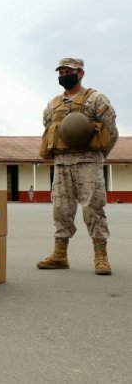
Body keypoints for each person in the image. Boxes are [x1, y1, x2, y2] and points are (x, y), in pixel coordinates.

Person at [37, 57, 118, 275]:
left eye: (68, 72)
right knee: (61, 209)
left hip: (88, 162)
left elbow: (111, 132)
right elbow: (49, 129)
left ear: (81, 73)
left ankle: (101, 256)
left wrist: (99, 156)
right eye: (61, 72)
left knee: (94, 207)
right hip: (62, 164)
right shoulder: (53, 104)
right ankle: (60, 255)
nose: (64, 76)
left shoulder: (96, 99)